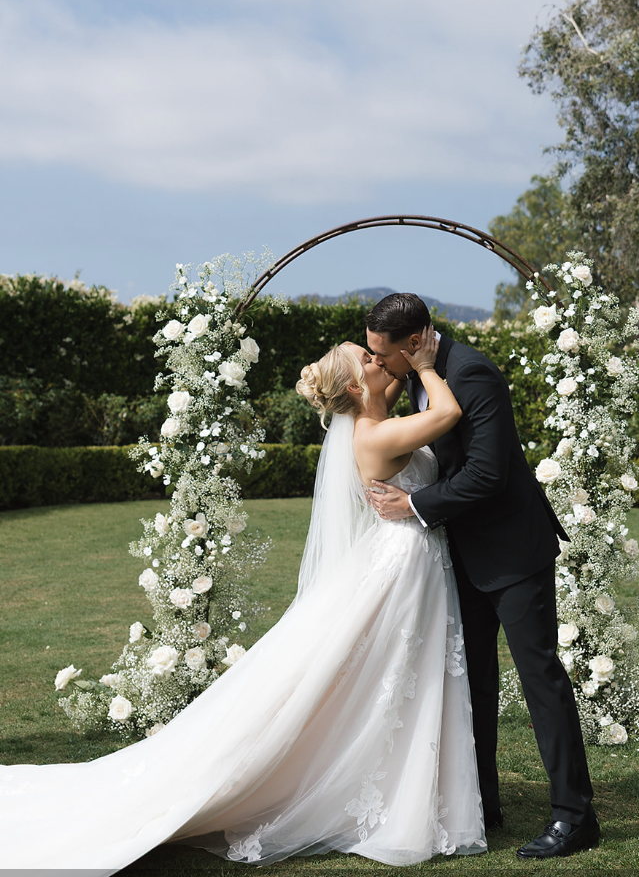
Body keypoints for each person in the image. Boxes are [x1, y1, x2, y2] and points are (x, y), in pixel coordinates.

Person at [0, 329, 486, 871]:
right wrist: (422, 364)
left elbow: (381, 392)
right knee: (387, 671)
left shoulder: (371, 416)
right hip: (400, 559)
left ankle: (404, 779)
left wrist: (392, 370)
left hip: (406, 559)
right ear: (354, 382)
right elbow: (445, 412)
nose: (379, 360)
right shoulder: (373, 435)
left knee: (395, 673)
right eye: (367, 358)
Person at [365, 293, 599, 860]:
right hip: (462, 555)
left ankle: (575, 817)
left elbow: (488, 474)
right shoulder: (419, 373)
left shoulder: (473, 374)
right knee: (471, 683)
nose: (380, 363)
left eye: (384, 354)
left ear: (415, 341)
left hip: (514, 553)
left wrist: (415, 507)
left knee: (540, 681)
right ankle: (482, 804)